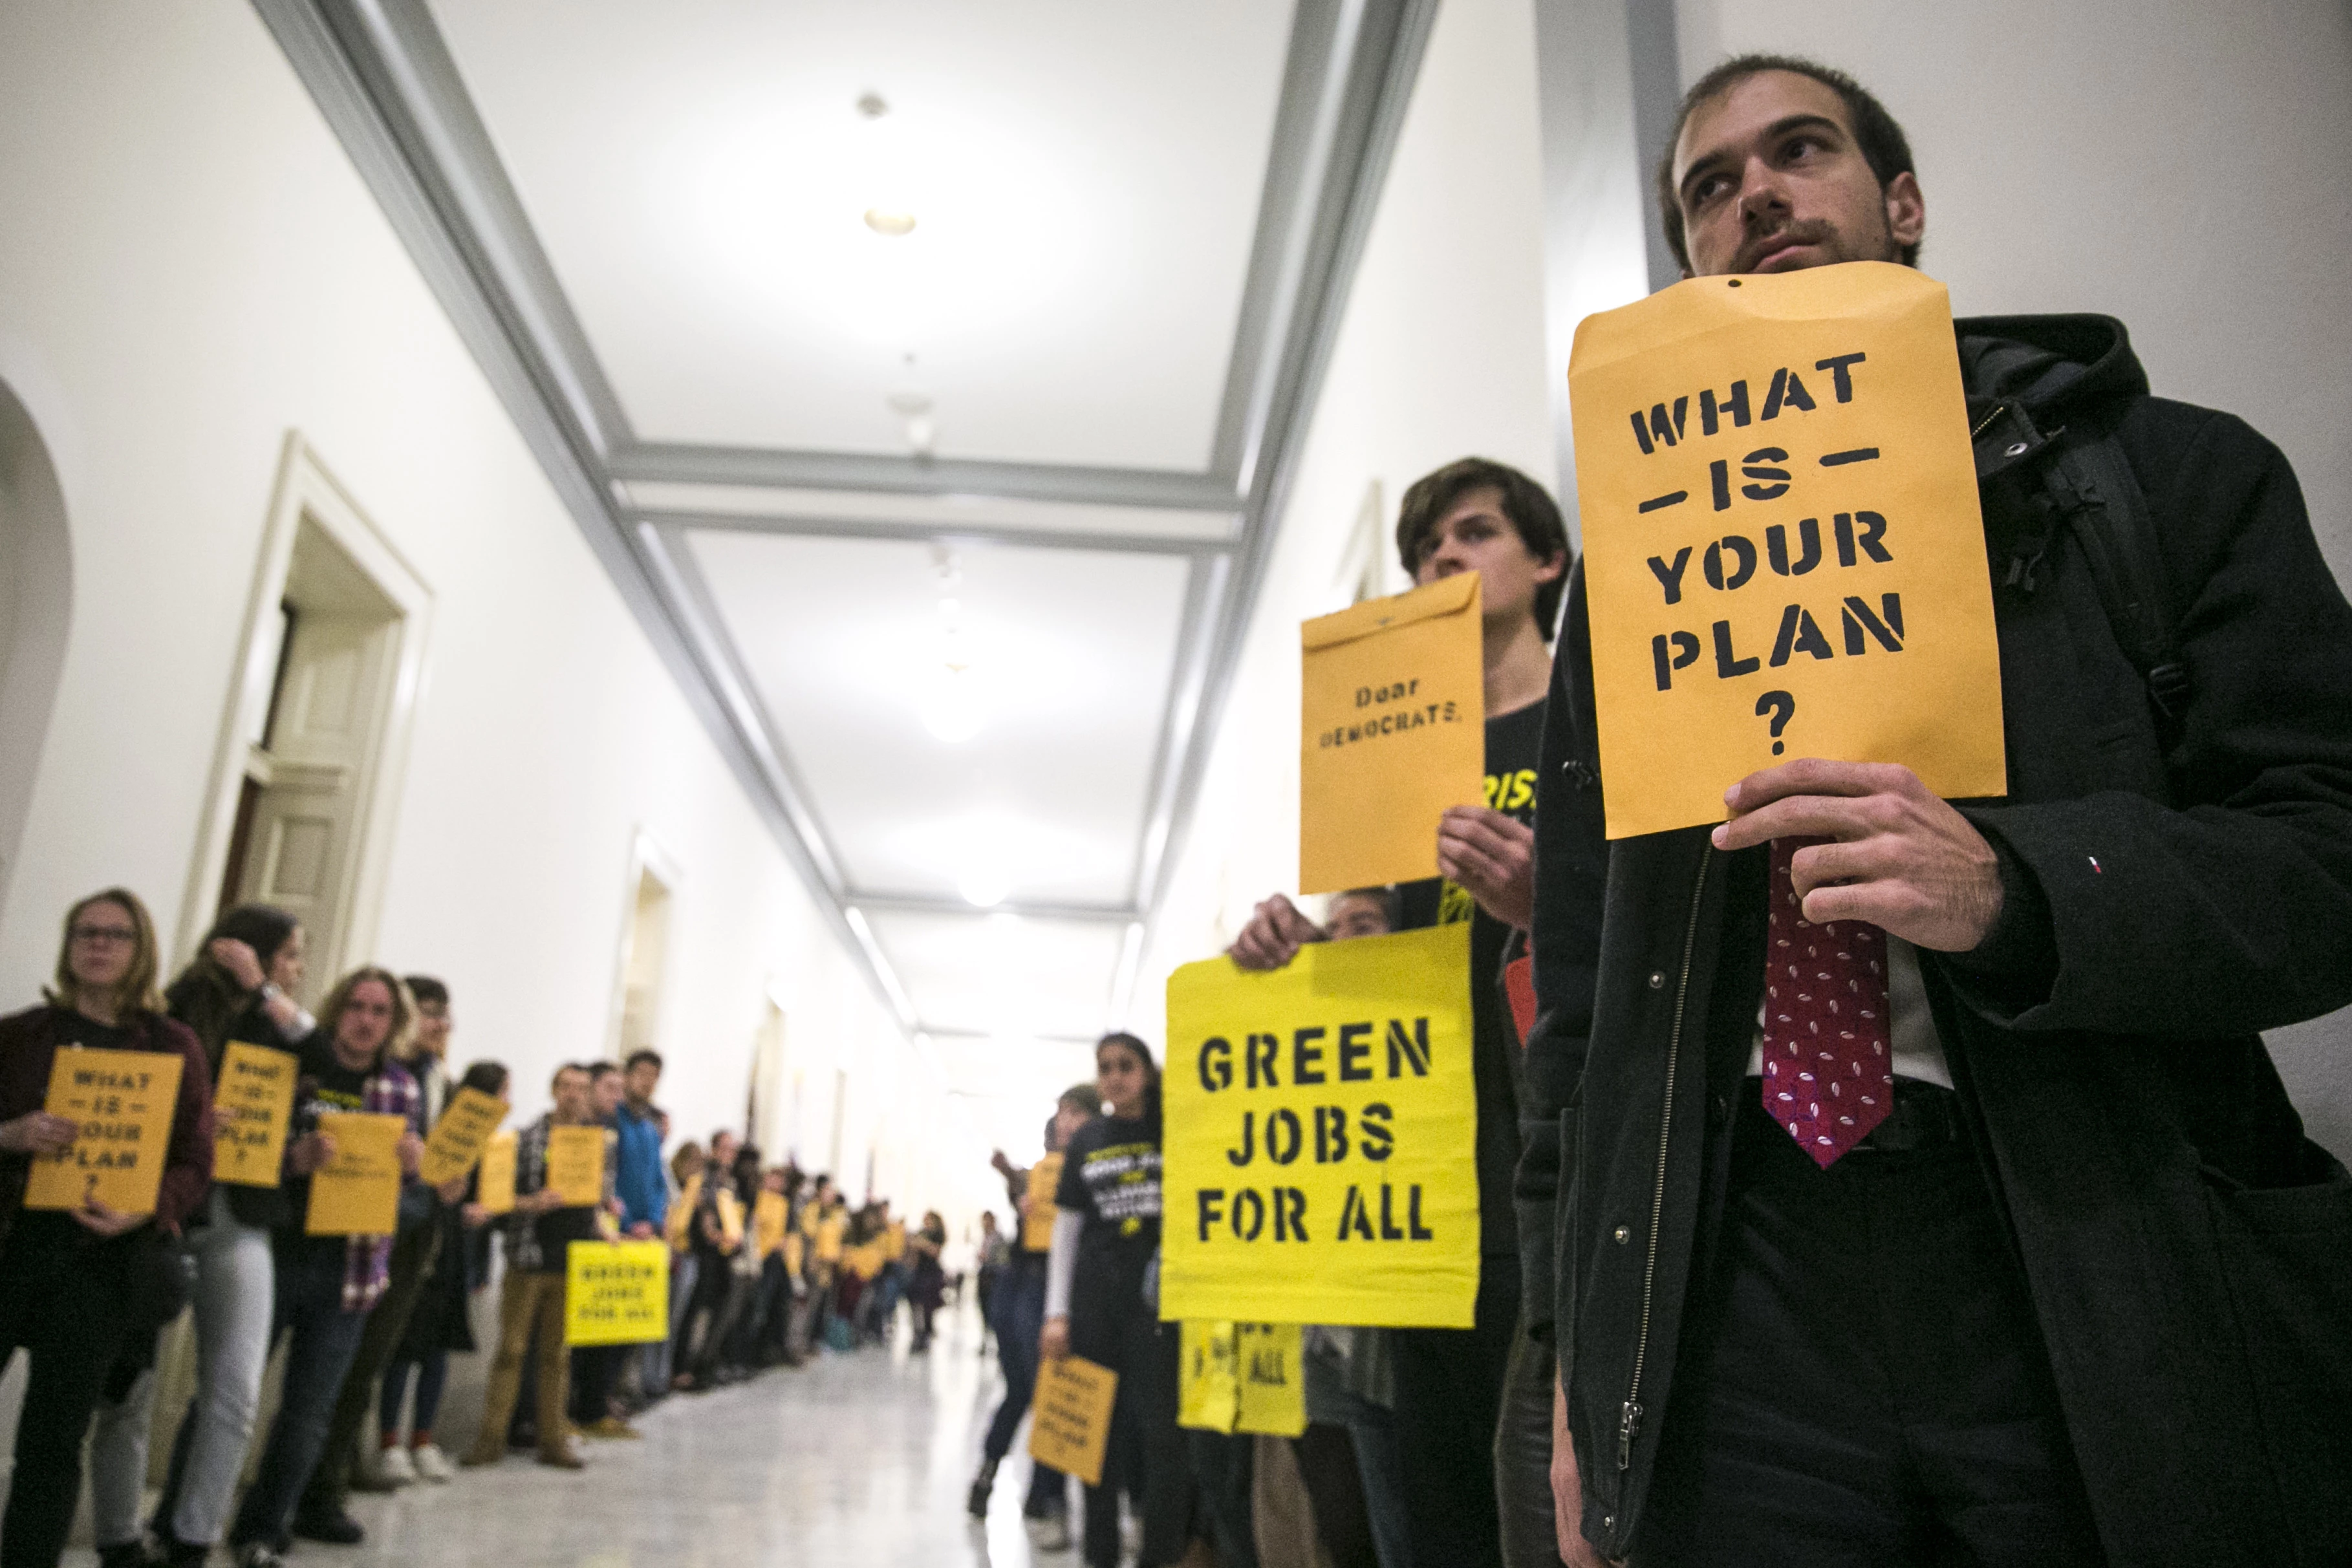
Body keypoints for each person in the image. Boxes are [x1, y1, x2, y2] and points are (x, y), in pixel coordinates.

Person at [1520, 55, 2352, 1568]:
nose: (1755, 193)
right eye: (1709, 186)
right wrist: (1573, 1373)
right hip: (1735, 1288)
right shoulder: (1625, 588)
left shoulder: (2164, 483)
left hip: (2082, 1254)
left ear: (1897, 204)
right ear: (1689, 260)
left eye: (1800, 151)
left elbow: (2327, 855)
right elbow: (1581, 1018)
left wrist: (2014, 888)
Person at [1230, 456, 1569, 1568]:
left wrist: (1543, 906)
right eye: (1424, 552)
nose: (1444, 560)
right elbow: (1368, 949)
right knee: (1427, 1518)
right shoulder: (1395, 760)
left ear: (1546, 560)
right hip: (1420, 1196)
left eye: (1473, 534)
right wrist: (1300, 953)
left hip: (1557, 1173)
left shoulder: (1596, 724)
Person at [85, 903, 307, 1568]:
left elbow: (329, 1069)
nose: (299, 968)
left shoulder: (282, 1031)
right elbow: (136, 1098)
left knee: (234, 1388)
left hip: (241, 1217)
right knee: (129, 1388)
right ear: (253, 951)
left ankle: (191, 1537)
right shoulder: (169, 1015)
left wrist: (297, 1149)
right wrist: (198, 1117)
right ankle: (119, 1537)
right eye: (290, 954)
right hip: (156, 1216)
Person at [0, 889, 213, 1568]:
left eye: (115, 934)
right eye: (85, 932)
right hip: (12, 1245)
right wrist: (9, 1134)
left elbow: (195, 1161)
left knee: (54, 1438)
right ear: (69, 946)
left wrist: (147, 1205)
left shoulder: (174, 1045)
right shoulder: (20, 1034)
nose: (98, 944)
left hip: (101, 1262)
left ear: (140, 948)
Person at [225, 967, 426, 1568]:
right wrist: (295, 1157)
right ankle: (186, 1518)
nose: (366, 1019)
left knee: (308, 1412)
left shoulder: (401, 1088)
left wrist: (413, 1165)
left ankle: (263, 1526)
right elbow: (248, 1144)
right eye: (357, 1005)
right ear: (337, 1008)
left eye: (380, 1010)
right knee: (229, 1395)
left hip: (352, 1267)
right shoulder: (295, 1067)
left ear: (394, 1023)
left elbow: (409, 1193)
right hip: (275, 1251)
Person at [296, 974, 466, 1525]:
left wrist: (447, 1181)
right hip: (357, 1226)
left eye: (445, 1013)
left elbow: (439, 1166)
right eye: (427, 1011)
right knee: (333, 1367)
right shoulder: (377, 1073)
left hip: (415, 1237)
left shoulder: (442, 1081)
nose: (438, 1023)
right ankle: (315, 1482)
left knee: (365, 1364)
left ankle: (331, 1480)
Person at [1042, 1034, 1181, 1568]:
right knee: (1094, 1446)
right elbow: (1067, 1232)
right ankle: (1098, 1557)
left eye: (1126, 1065)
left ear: (1146, 1071)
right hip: (1095, 1310)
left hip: (1159, 1313)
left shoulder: (1172, 1130)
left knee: (1163, 1444)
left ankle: (1158, 1557)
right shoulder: (1087, 1139)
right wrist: (1057, 1312)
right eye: (1105, 1068)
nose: (1115, 1076)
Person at [462, 1062, 616, 1472]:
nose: (573, 1094)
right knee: (511, 1349)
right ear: (554, 1090)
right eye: (566, 1086)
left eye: (582, 1088)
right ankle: (490, 1437)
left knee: (557, 1355)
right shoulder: (525, 1140)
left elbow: (602, 1197)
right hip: (528, 1256)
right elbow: (499, 1199)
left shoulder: (598, 1145)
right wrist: (532, 1203)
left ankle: (553, 1439)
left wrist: (605, 1209)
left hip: (572, 1258)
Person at [374, 1057, 508, 1487]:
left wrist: (481, 1241)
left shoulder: (492, 1144)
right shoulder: (445, 1125)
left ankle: (423, 1439)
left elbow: (491, 1200)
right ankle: (389, 1441)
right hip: (426, 1242)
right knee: (406, 1345)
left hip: (458, 1253)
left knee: (439, 1348)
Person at [570, 1061, 639, 1437]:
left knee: (610, 1327)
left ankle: (594, 1406)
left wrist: (609, 1205)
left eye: (620, 1089)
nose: (617, 1096)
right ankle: (571, 1408)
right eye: (610, 1088)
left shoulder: (612, 1129)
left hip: (606, 1231)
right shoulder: (575, 1129)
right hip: (578, 1236)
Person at [611, 1048, 669, 1400]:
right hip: (618, 1232)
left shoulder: (649, 1130)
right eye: (642, 1073)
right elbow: (613, 1180)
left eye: (654, 1076)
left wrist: (654, 1220)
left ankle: (617, 1394)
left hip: (644, 1235)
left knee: (631, 1324)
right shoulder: (612, 1123)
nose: (648, 1082)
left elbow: (657, 1183)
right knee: (606, 1324)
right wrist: (629, 1222)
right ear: (628, 1075)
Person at [907, 1208, 947, 1351]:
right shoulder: (921, 1234)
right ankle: (918, 1332)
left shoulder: (937, 1236)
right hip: (920, 1271)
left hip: (931, 1273)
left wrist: (922, 1244)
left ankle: (925, 1334)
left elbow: (935, 1251)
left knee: (927, 1305)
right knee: (915, 1302)